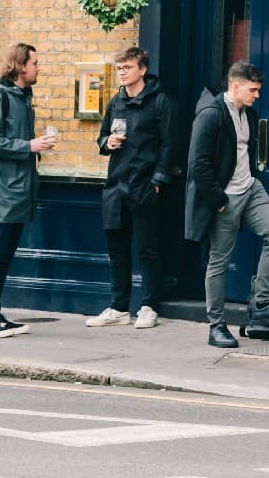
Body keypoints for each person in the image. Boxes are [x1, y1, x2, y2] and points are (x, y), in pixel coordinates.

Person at [187, 61, 269, 349]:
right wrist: (218, 200)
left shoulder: (249, 114)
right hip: (225, 197)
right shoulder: (210, 115)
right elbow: (198, 165)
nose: (257, 95)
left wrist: (253, 180)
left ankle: (262, 304)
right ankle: (216, 325)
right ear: (235, 86)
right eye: (253, 90)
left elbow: (245, 153)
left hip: (250, 188)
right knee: (219, 259)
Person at [0, 42, 55, 338]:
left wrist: (33, 151)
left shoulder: (22, 98)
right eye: (35, 63)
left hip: (17, 191)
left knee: (2, 257)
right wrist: (28, 146)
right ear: (19, 66)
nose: (38, 68)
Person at [89, 47, 178, 330]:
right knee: (117, 249)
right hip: (115, 185)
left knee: (147, 250)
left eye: (127, 67)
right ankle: (118, 307)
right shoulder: (116, 101)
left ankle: (149, 306)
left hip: (144, 185)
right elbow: (103, 136)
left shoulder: (161, 102)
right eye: (119, 68)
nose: (122, 72)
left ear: (142, 70)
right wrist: (107, 143)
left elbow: (170, 145)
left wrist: (158, 181)